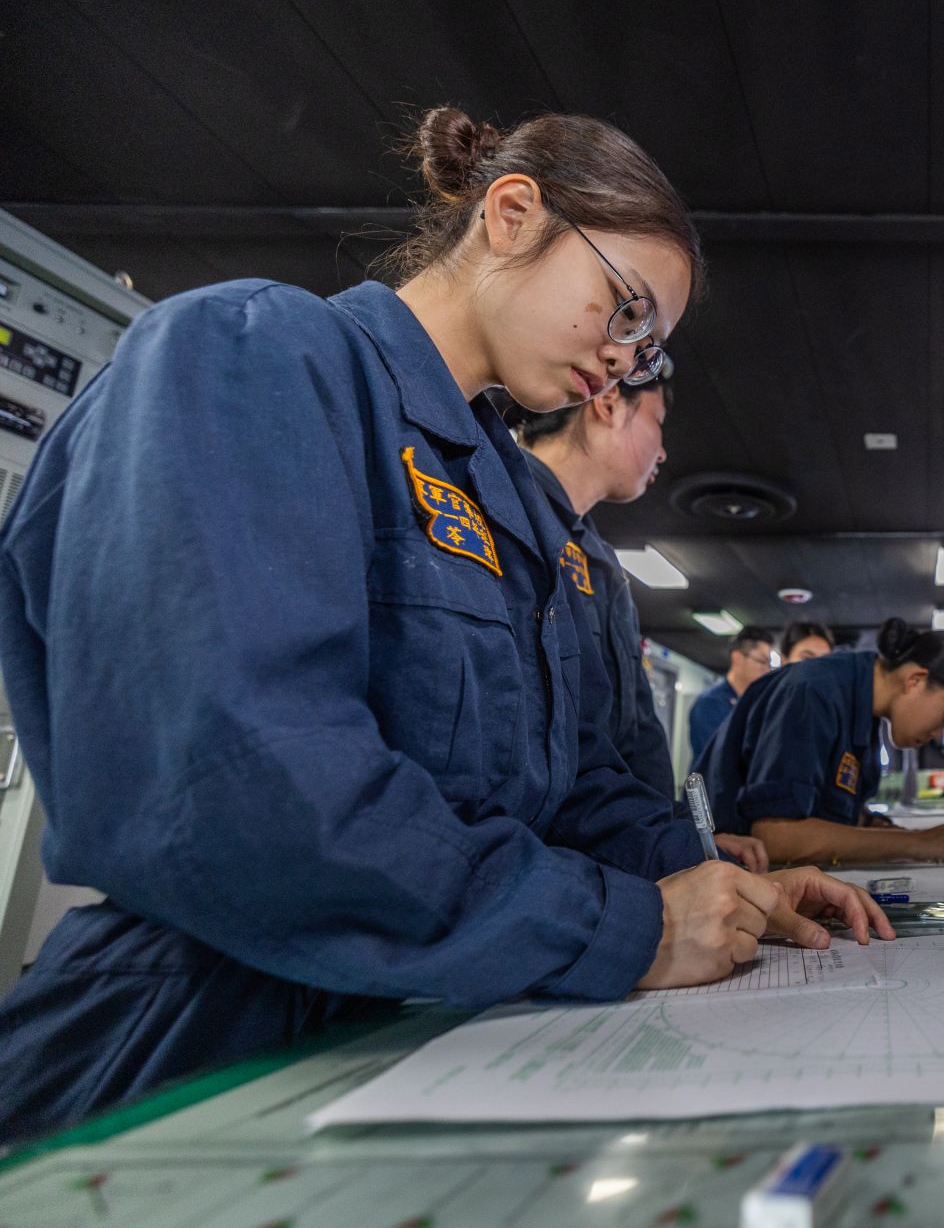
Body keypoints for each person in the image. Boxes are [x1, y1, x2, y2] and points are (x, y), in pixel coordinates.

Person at [0, 107, 886, 1141]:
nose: (626, 358)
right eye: (623, 306)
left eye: (647, 342)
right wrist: (629, 925)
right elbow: (250, 790)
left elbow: (570, 786)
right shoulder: (258, 355)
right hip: (200, 1048)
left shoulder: (506, 501)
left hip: (436, 1026)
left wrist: (729, 885)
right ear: (512, 214)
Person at [509, 378, 767, 872]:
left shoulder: (600, 561)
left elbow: (632, 743)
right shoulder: (503, 510)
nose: (664, 451)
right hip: (538, 863)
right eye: (658, 422)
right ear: (607, 403)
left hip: (610, 851)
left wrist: (681, 841)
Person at [695, 619, 944, 864]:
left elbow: (832, 809)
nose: (938, 734)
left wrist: (880, 828)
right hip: (718, 866)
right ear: (915, 679)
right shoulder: (814, 691)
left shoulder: (864, 707)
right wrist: (920, 842)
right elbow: (776, 836)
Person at [688, 626, 776, 759]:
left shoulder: (755, 704)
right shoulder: (710, 702)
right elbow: (715, 758)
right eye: (762, 661)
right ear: (737, 658)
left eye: (769, 664)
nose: (766, 670)